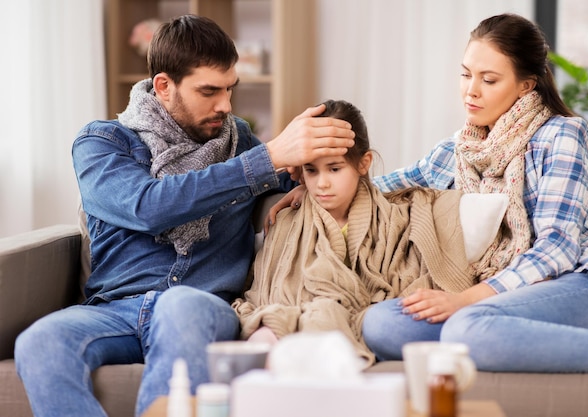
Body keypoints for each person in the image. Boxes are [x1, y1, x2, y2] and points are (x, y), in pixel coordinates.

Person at [14, 15, 355, 417]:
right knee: (40, 340)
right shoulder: (102, 144)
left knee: (179, 305)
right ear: (164, 86)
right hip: (115, 310)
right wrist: (268, 158)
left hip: (202, 305)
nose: (226, 106)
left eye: (230, 89)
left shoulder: (239, 143)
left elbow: (314, 184)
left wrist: (303, 183)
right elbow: (148, 207)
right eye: (209, 91)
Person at [360, 13, 588, 372]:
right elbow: (379, 189)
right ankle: (495, 339)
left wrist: (464, 300)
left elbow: (558, 247)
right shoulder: (457, 151)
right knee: (382, 322)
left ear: (525, 86)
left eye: (489, 80)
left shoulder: (561, 134)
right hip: (497, 297)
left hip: (578, 282)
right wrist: (307, 191)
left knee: (468, 327)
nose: (471, 90)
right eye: (466, 74)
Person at [232, 99, 479, 366]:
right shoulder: (288, 222)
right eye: (311, 171)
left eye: (335, 169)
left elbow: (404, 282)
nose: (322, 183)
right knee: (265, 334)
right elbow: (268, 289)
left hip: (366, 319)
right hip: (301, 317)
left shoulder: (392, 221)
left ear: (364, 164)